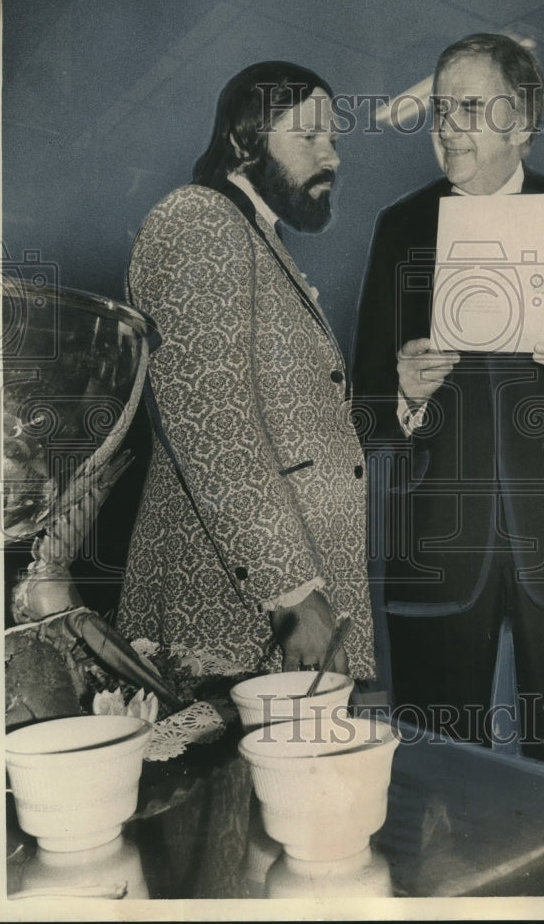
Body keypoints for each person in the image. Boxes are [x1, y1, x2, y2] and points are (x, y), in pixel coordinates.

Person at [351, 34, 544, 774]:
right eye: (438, 110)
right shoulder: (399, 227)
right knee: (435, 765)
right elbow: (362, 402)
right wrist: (402, 394)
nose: (446, 124)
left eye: (468, 107)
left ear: (520, 122)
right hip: (436, 539)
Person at [117, 61, 375, 681]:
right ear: (242, 140)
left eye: (334, 139)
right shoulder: (199, 220)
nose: (332, 155)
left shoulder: (258, 238)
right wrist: (292, 593)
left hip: (289, 606)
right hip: (239, 615)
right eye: (310, 135)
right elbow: (212, 425)